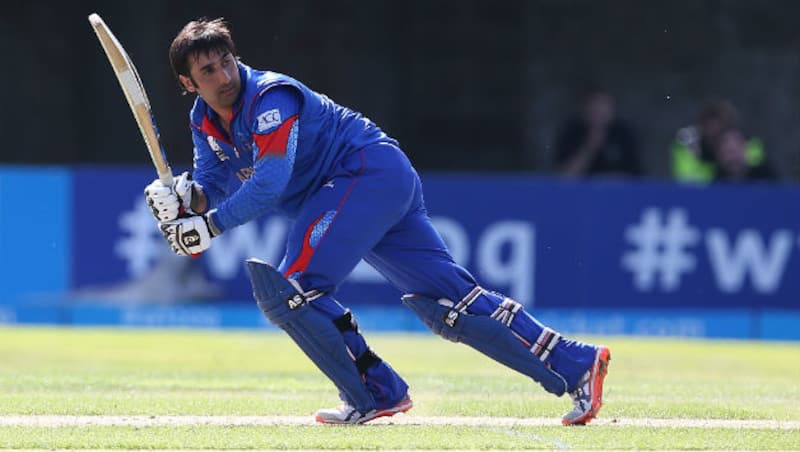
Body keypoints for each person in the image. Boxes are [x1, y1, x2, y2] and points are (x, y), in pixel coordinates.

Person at [144, 18, 611, 426]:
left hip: (361, 172)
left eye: (226, 61)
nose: (224, 76)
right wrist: (185, 196)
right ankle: (577, 363)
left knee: (295, 289)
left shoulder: (270, 98)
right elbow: (214, 181)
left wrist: (210, 226)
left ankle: (374, 394)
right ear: (188, 82)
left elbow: (268, 183)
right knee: (449, 303)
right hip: (368, 183)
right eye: (208, 70)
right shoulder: (203, 118)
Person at [670, 98, 769, 183]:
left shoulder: (750, 147)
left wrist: (736, 162)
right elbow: (687, 182)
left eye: (720, 132)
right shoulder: (692, 150)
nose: (714, 134)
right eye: (709, 130)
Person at [555, 89, 641, 178]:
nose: (599, 111)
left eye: (603, 107)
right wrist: (589, 147)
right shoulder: (571, 132)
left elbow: (635, 177)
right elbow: (565, 177)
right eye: (594, 108)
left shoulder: (624, 133)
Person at [710, 127, 777, 182]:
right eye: (728, 152)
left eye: (735, 151)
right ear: (719, 155)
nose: (733, 158)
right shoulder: (713, 180)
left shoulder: (765, 175)